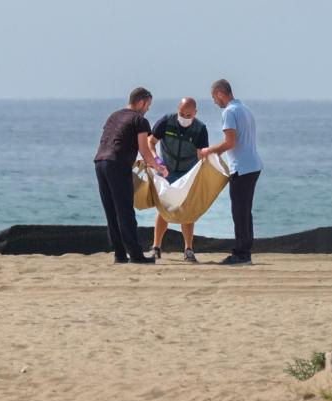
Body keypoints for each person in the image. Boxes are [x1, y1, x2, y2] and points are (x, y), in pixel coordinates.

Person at [94, 87, 168, 264]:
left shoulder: (114, 116)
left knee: (111, 211)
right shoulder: (140, 120)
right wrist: (158, 167)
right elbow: (144, 150)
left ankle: (119, 254)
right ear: (141, 102)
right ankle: (136, 255)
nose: (148, 109)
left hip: (100, 162)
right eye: (148, 105)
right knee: (125, 210)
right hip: (117, 165)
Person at [198, 79, 263, 265]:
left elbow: (229, 142)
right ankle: (245, 250)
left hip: (242, 168)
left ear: (220, 93)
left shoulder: (229, 112)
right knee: (244, 211)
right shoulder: (244, 109)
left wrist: (207, 151)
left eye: (213, 97)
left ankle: (241, 253)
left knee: (239, 211)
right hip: (253, 165)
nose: (214, 101)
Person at [147, 97, 210, 263]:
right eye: (182, 113)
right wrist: (156, 160)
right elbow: (151, 142)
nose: (184, 117)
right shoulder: (166, 122)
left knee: (187, 211)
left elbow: (201, 155)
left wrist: (201, 177)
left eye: (188, 115)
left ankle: (188, 249)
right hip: (166, 170)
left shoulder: (200, 129)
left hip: (187, 174)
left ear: (195, 113)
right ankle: (156, 247)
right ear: (178, 109)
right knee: (163, 209)